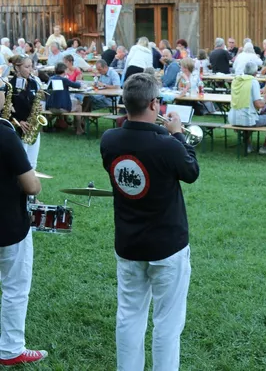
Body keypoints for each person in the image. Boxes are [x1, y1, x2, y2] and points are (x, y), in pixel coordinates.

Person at [100, 73, 199, 371]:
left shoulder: (109, 140)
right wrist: (178, 133)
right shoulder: (167, 145)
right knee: (167, 323)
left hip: (129, 242)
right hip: (167, 244)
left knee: (129, 315)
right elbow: (191, 171)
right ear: (154, 103)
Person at [0, 81, 48, 366]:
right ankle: (10, 349)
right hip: (9, 225)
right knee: (15, 288)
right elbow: (32, 187)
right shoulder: (5, 135)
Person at [228, 62, 266, 155]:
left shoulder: (236, 80)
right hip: (247, 119)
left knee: (249, 118)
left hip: (232, 118)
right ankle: (265, 146)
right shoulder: (253, 82)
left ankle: (248, 145)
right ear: (256, 73)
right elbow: (259, 104)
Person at [8, 55, 42, 169]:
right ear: (17, 68)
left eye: (31, 66)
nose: (30, 70)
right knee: (20, 164)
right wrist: (18, 122)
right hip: (17, 128)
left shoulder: (33, 83)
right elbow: (5, 109)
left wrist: (38, 109)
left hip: (32, 126)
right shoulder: (10, 86)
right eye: (27, 67)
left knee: (32, 163)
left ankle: (30, 185)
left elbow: (34, 101)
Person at [46, 62, 84, 135]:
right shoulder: (64, 80)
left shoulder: (51, 79)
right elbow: (77, 85)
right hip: (61, 108)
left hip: (51, 107)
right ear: (64, 70)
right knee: (79, 107)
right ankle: (79, 129)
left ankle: (45, 126)